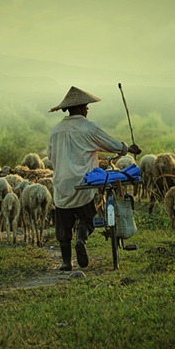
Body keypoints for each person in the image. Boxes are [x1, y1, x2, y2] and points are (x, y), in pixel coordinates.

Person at [47, 86, 141, 271]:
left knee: (63, 226)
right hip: (83, 183)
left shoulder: (56, 130)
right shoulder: (88, 128)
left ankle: (66, 262)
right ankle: (81, 239)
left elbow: (50, 155)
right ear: (81, 108)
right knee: (88, 219)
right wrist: (127, 149)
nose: (88, 109)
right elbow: (111, 144)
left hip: (61, 185)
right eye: (87, 106)